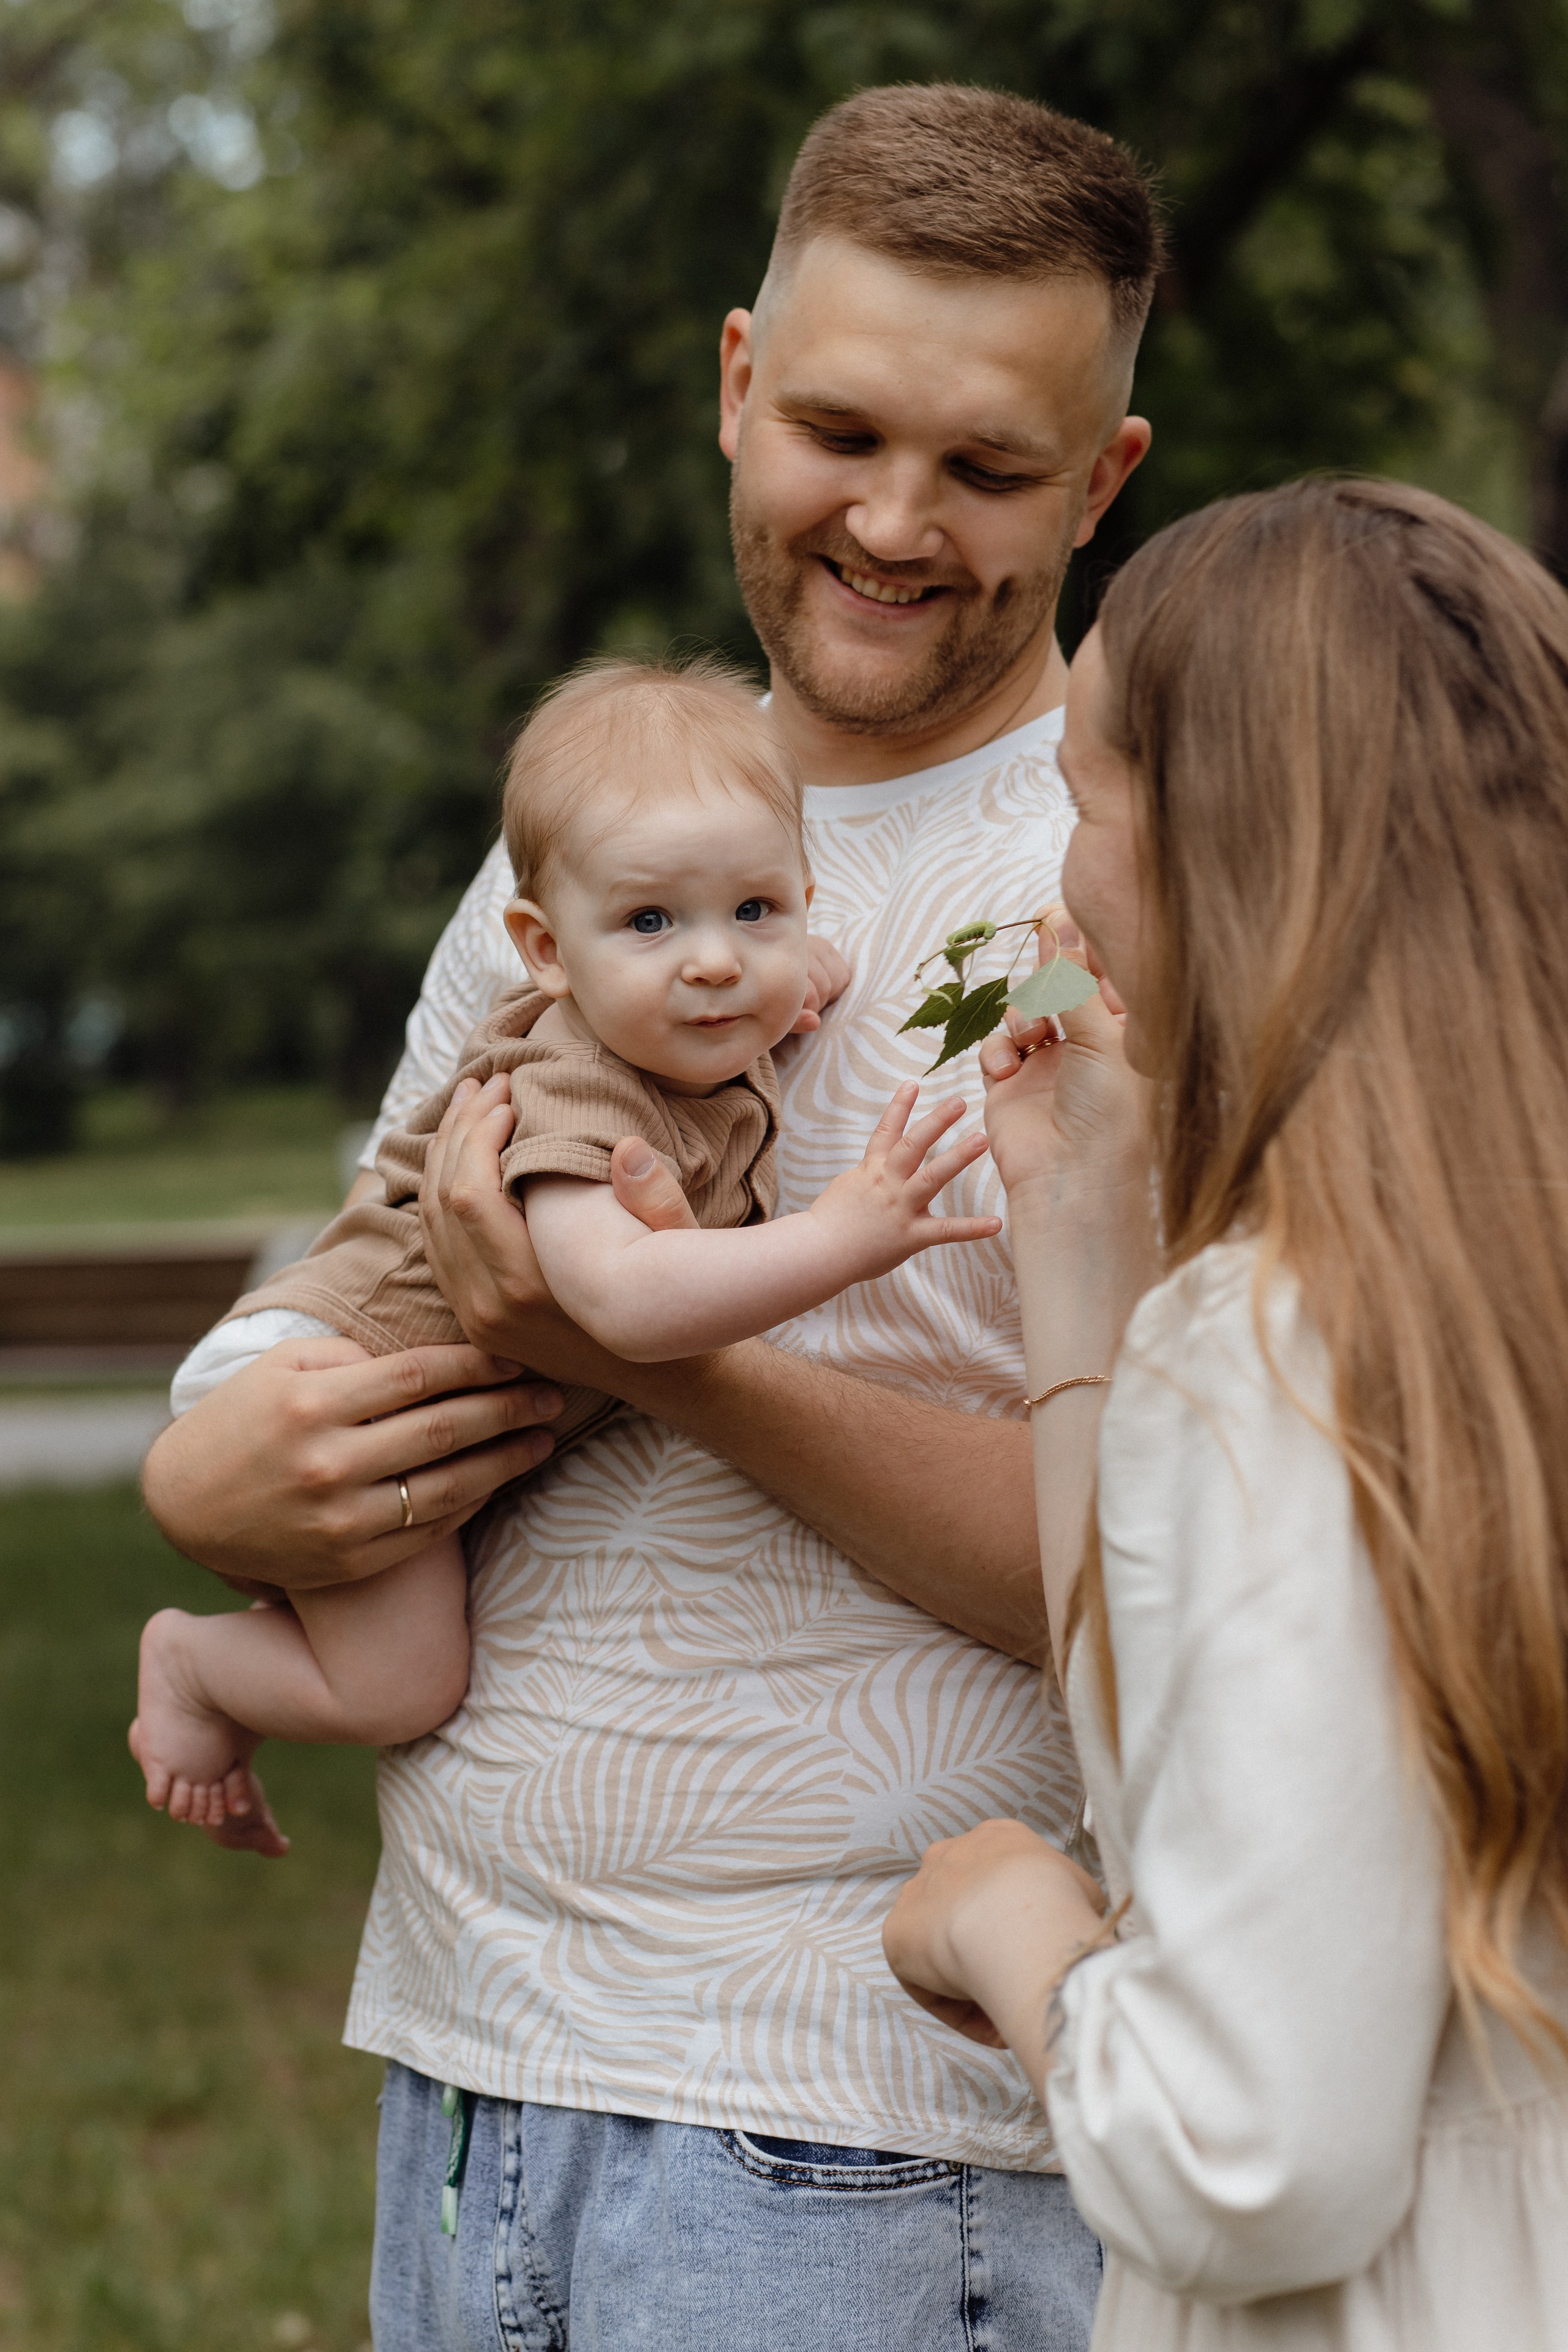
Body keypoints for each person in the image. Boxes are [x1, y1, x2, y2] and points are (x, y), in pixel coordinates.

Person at [143, 82, 1162, 2351]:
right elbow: (377, 1277)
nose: (894, 522)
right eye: (837, 430)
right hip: (473, 2081)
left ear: (1105, 482)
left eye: (990, 469)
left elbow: (1186, 1553)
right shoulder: (602, 844)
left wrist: (654, 1352)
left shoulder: (1142, 881)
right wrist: (213, 1475)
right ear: (732, 388)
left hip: (883, 2140)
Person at [884, 477, 1568, 2350]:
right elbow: (1216, 1807)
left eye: (1085, 798)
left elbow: (1246, 2153)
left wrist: (1010, 1918)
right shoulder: (1471, 1322)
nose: (1063, 869)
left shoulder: (1279, 1354)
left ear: (1217, 850)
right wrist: (1090, 1248)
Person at [130, 656, 995, 1835]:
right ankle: (193, 1665)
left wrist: (795, 972)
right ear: (544, 951)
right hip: (331, 1372)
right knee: (403, 1687)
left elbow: (748, 972)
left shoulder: (697, 1017)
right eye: (650, 921)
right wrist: (843, 1235)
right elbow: (628, 1305)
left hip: (394, 1392)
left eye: (756, 909)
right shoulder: (575, 1090)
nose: (713, 960)